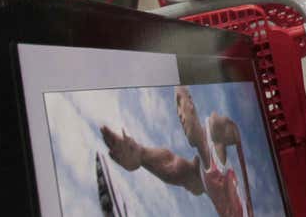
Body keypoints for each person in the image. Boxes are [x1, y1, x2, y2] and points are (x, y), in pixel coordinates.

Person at [99, 86, 252, 216]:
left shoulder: (216, 130)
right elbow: (172, 166)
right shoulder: (203, 176)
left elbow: (247, 126)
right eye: (176, 108)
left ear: (191, 102)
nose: (179, 114)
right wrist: (140, 154)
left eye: (180, 102)